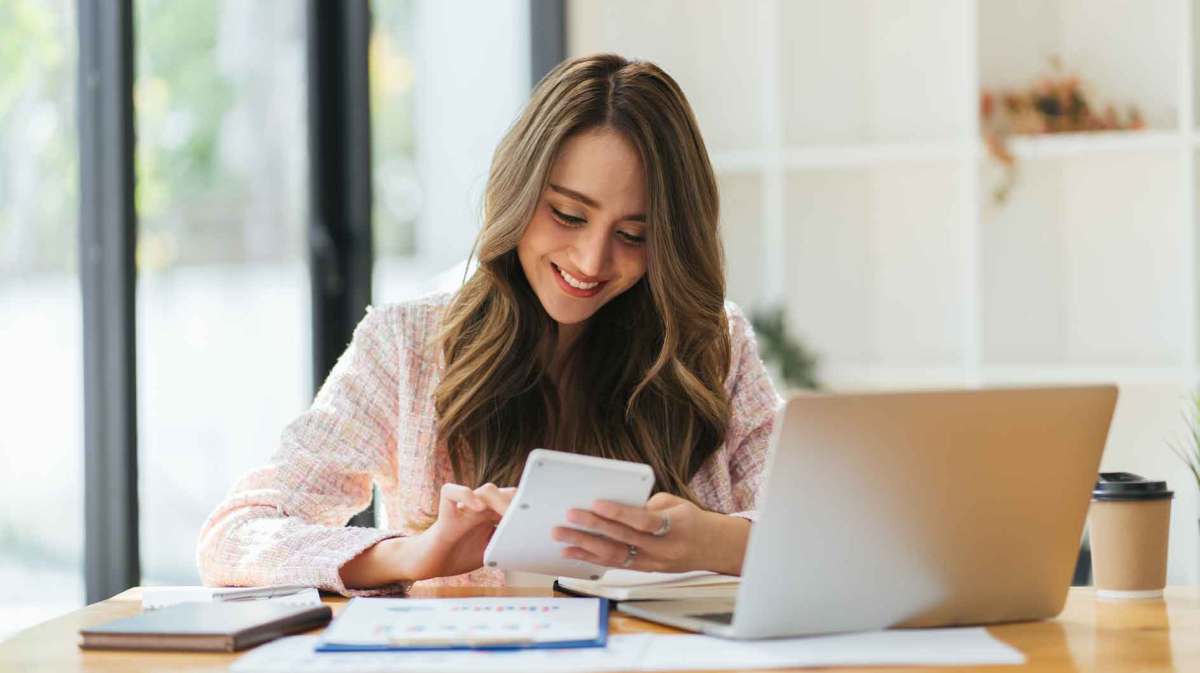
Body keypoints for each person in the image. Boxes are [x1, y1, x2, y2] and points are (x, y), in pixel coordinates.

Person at [196, 53, 782, 596]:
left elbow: (826, 533)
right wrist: (413, 554)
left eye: (634, 235)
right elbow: (238, 535)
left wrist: (718, 542)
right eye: (568, 215)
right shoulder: (408, 346)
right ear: (518, 193)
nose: (591, 261)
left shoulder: (711, 347)